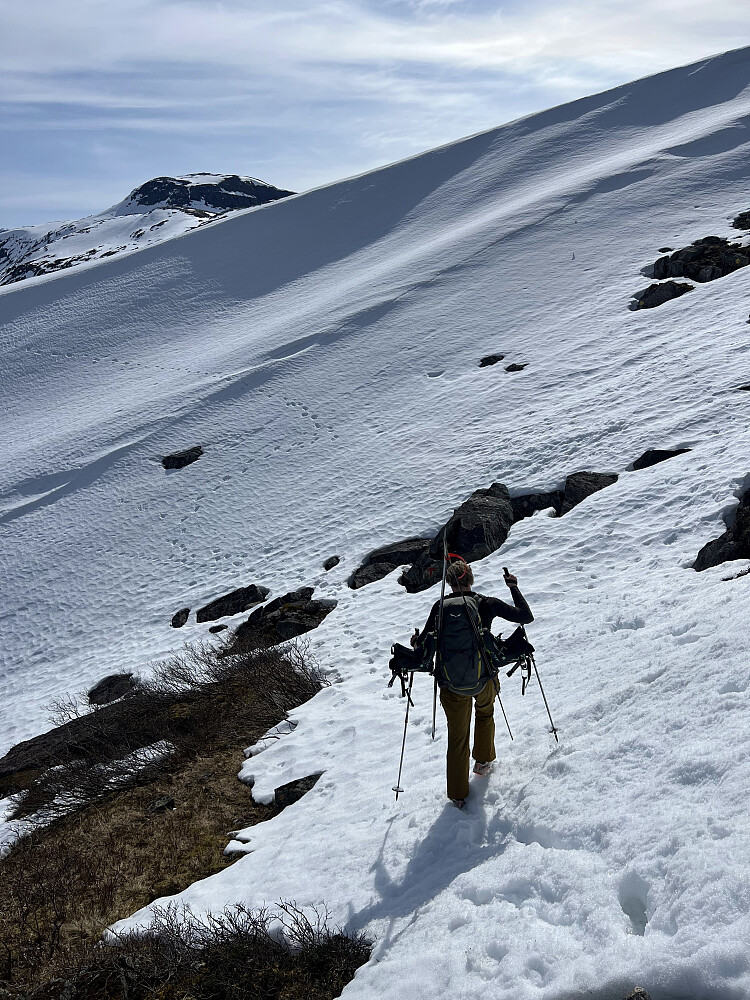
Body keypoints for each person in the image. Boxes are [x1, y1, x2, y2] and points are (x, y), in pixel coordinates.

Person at [412, 559, 533, 808]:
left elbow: (422, 644)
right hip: (484, 677)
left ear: (449, 583)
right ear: (471, 579)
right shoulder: (486, 603)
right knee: (485, 714)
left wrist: (415, 641)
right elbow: (526, 616)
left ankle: (458, 796)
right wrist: (513, 587)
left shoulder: (440, 607)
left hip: (450, 684)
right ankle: (483, 762)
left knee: (458, 736)